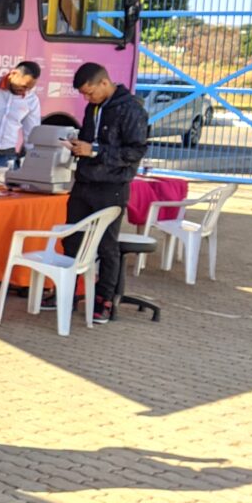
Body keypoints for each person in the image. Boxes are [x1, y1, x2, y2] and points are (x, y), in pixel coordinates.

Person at [63, 62, 149, 324]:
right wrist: (77, 146)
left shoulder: (131, 109)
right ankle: (65, 292)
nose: (87, 99)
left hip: (111, 187)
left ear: (104, 83)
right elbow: (91, 141)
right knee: (71, 239)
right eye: (84, 95)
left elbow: (136, 151)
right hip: (85, 183)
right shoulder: (93, 107)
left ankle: (105, 300)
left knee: (106, 246)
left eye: (90, 93)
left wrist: (97, 151)